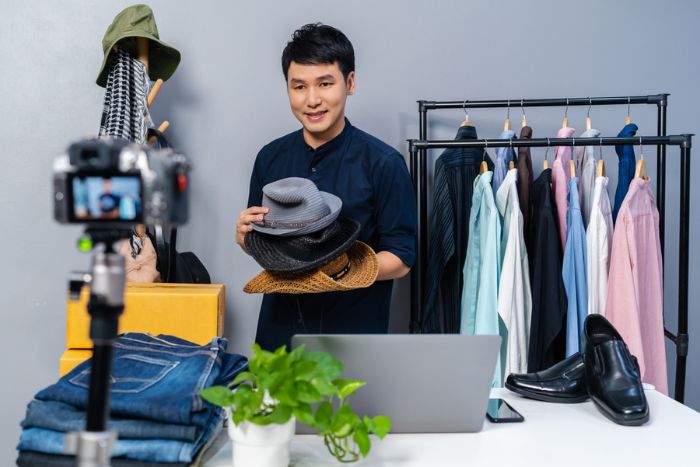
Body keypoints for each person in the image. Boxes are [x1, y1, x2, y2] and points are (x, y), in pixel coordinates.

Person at [236, 23, 417, 350]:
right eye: (299, 86)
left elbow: (402, 257)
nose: (312, 100)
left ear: (350, 83)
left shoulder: (384, 163)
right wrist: (245, 238)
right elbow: (265, 245)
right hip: (278, 336)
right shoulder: (269, 157)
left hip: (352, 338)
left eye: (325, 83)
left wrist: (346, 269)